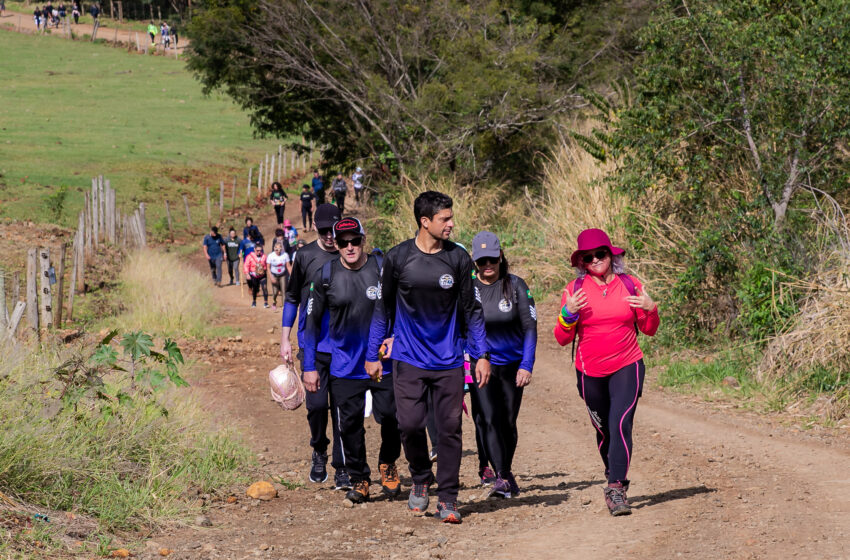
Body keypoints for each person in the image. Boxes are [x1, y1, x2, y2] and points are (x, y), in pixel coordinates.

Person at [365, 191, 490, 524]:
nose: (451, 224)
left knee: (449, 429)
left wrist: (481, 354)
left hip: (449, 359)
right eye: (444, 219)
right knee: (408, 424)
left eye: (451, 217)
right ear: (425, 221)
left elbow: (472, 311)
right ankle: (420, 479)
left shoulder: (459, 259)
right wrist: (372, 353)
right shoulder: (398, 258)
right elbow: (383, 309)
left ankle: (447, 498)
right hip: (407, 358)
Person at [553, 228, 660, 516]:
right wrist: (568, 314)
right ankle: (613, 468)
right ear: (582, 263)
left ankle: (616, 487)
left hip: (627, 364)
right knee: (604, 430)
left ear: (611, 255)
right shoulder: (574, 290)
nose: (596, 260)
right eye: (588, 257)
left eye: (601, 254)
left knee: (620, 423)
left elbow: (649, 330)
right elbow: (562, 338)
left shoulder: (630, 284)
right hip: (590, 372)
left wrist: (651, 309)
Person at [302, 217, 402, 504]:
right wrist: (309, 366)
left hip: (383, 362)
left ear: (363, 239)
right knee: (350, 427)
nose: (349, 247)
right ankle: (359, 479)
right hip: (344, 365)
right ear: (336, 243)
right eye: (343, 242)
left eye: (354, 240)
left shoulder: (382, 269)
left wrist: (395, 337)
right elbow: (311, 325)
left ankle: (388, 462)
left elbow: (400, 308)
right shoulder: (325, 275)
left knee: (395, 416)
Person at [466, 231, 537, 499]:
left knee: (507, 421)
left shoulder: (516, 286)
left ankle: (505, 472)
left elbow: (530, 328)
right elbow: (463, 327)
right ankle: (501, 477)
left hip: (512, 364)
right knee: (489, 418)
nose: (487, 266)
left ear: (500, 257)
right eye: (481, 261)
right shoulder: (469, 289)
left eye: (492, 260)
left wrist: (527, 364)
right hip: (480, 363)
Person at [281, 204, 346, 487]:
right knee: (317, 406)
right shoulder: (305, 255)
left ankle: (342, 465)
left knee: (344, 410)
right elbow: (293, 297)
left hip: (345, 347)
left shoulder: (351, 252)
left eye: (333, 230)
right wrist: (285, 338)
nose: (330, 237)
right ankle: (319, 448)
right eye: (323, 231)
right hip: (314, 345)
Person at [267, 241, 291, 311]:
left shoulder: (285, 255)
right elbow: (268, 267)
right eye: (276, 250)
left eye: (280, 249)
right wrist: (271, 277)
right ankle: (274, 302)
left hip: (283, 275)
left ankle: (284, 305)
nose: (278, 251)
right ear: (274, 249)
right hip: (274, 275)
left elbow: (288, 266)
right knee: (275, 292)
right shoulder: (271, 256)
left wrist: (291, 275)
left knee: (284, 290)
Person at [244, 243, 269, 308]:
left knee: (265, 288)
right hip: (254, 275)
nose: (259, 252)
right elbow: (246, 265)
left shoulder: (264, 256)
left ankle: (266, 302)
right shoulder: (249, 256)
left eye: (260, 250)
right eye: (257, 250)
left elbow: (267, 265)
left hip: (262, 275)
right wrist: (247, 274)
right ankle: (254, 301)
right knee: (255, 288)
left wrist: (265, 270)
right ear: (254, 249)